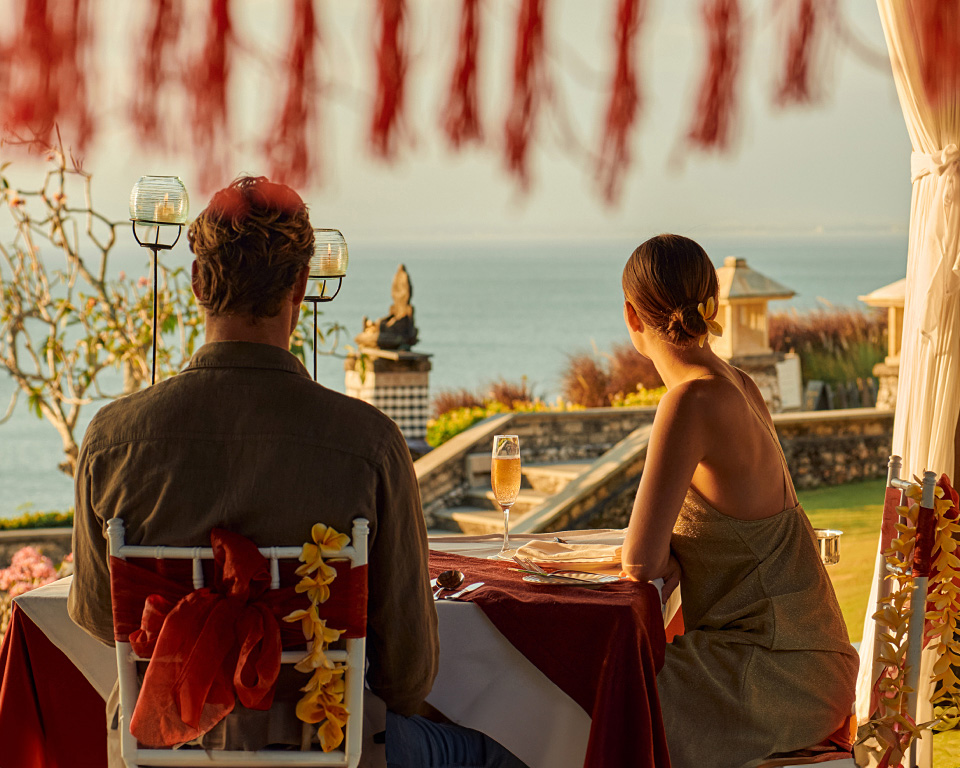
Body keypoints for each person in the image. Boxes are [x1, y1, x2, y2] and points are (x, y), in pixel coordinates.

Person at [68, 176, 526, 768]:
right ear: (301, 286)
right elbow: (407, 673)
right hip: (331, 747)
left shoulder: (112, 440)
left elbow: (97, 614)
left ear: (198, 282)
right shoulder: (369, 445)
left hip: (161, 751)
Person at [618, 235, 859, 768]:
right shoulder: (739, 384)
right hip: (815, 663)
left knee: (600, 692)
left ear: (632, 316)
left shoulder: (690, 401)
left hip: (772, 672)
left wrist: (666, 555)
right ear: (712, 304)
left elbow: (638, 563)